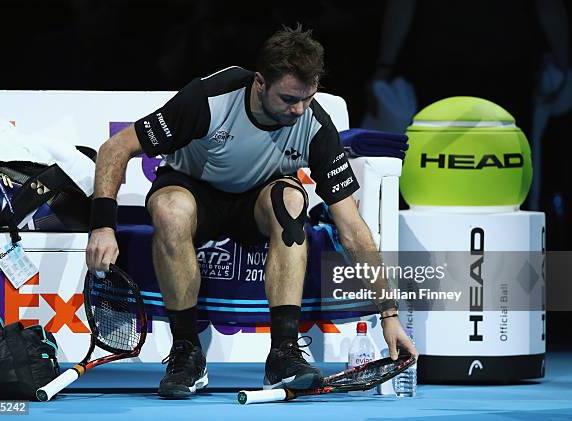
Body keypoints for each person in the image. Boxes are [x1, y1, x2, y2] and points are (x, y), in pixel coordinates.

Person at [86, 25, 418, 399]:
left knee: (293, 202)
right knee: (169, 208)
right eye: (289, 98)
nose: (299, 110)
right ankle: (186, 352)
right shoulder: (208, 99)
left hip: (260, 198)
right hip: (195, 190)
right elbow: (116, 148)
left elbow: (352, 227)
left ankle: (284, 354)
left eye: (308, 99)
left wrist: (389, 315)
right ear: (259, 82)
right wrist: (102, 227)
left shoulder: (314, 124)